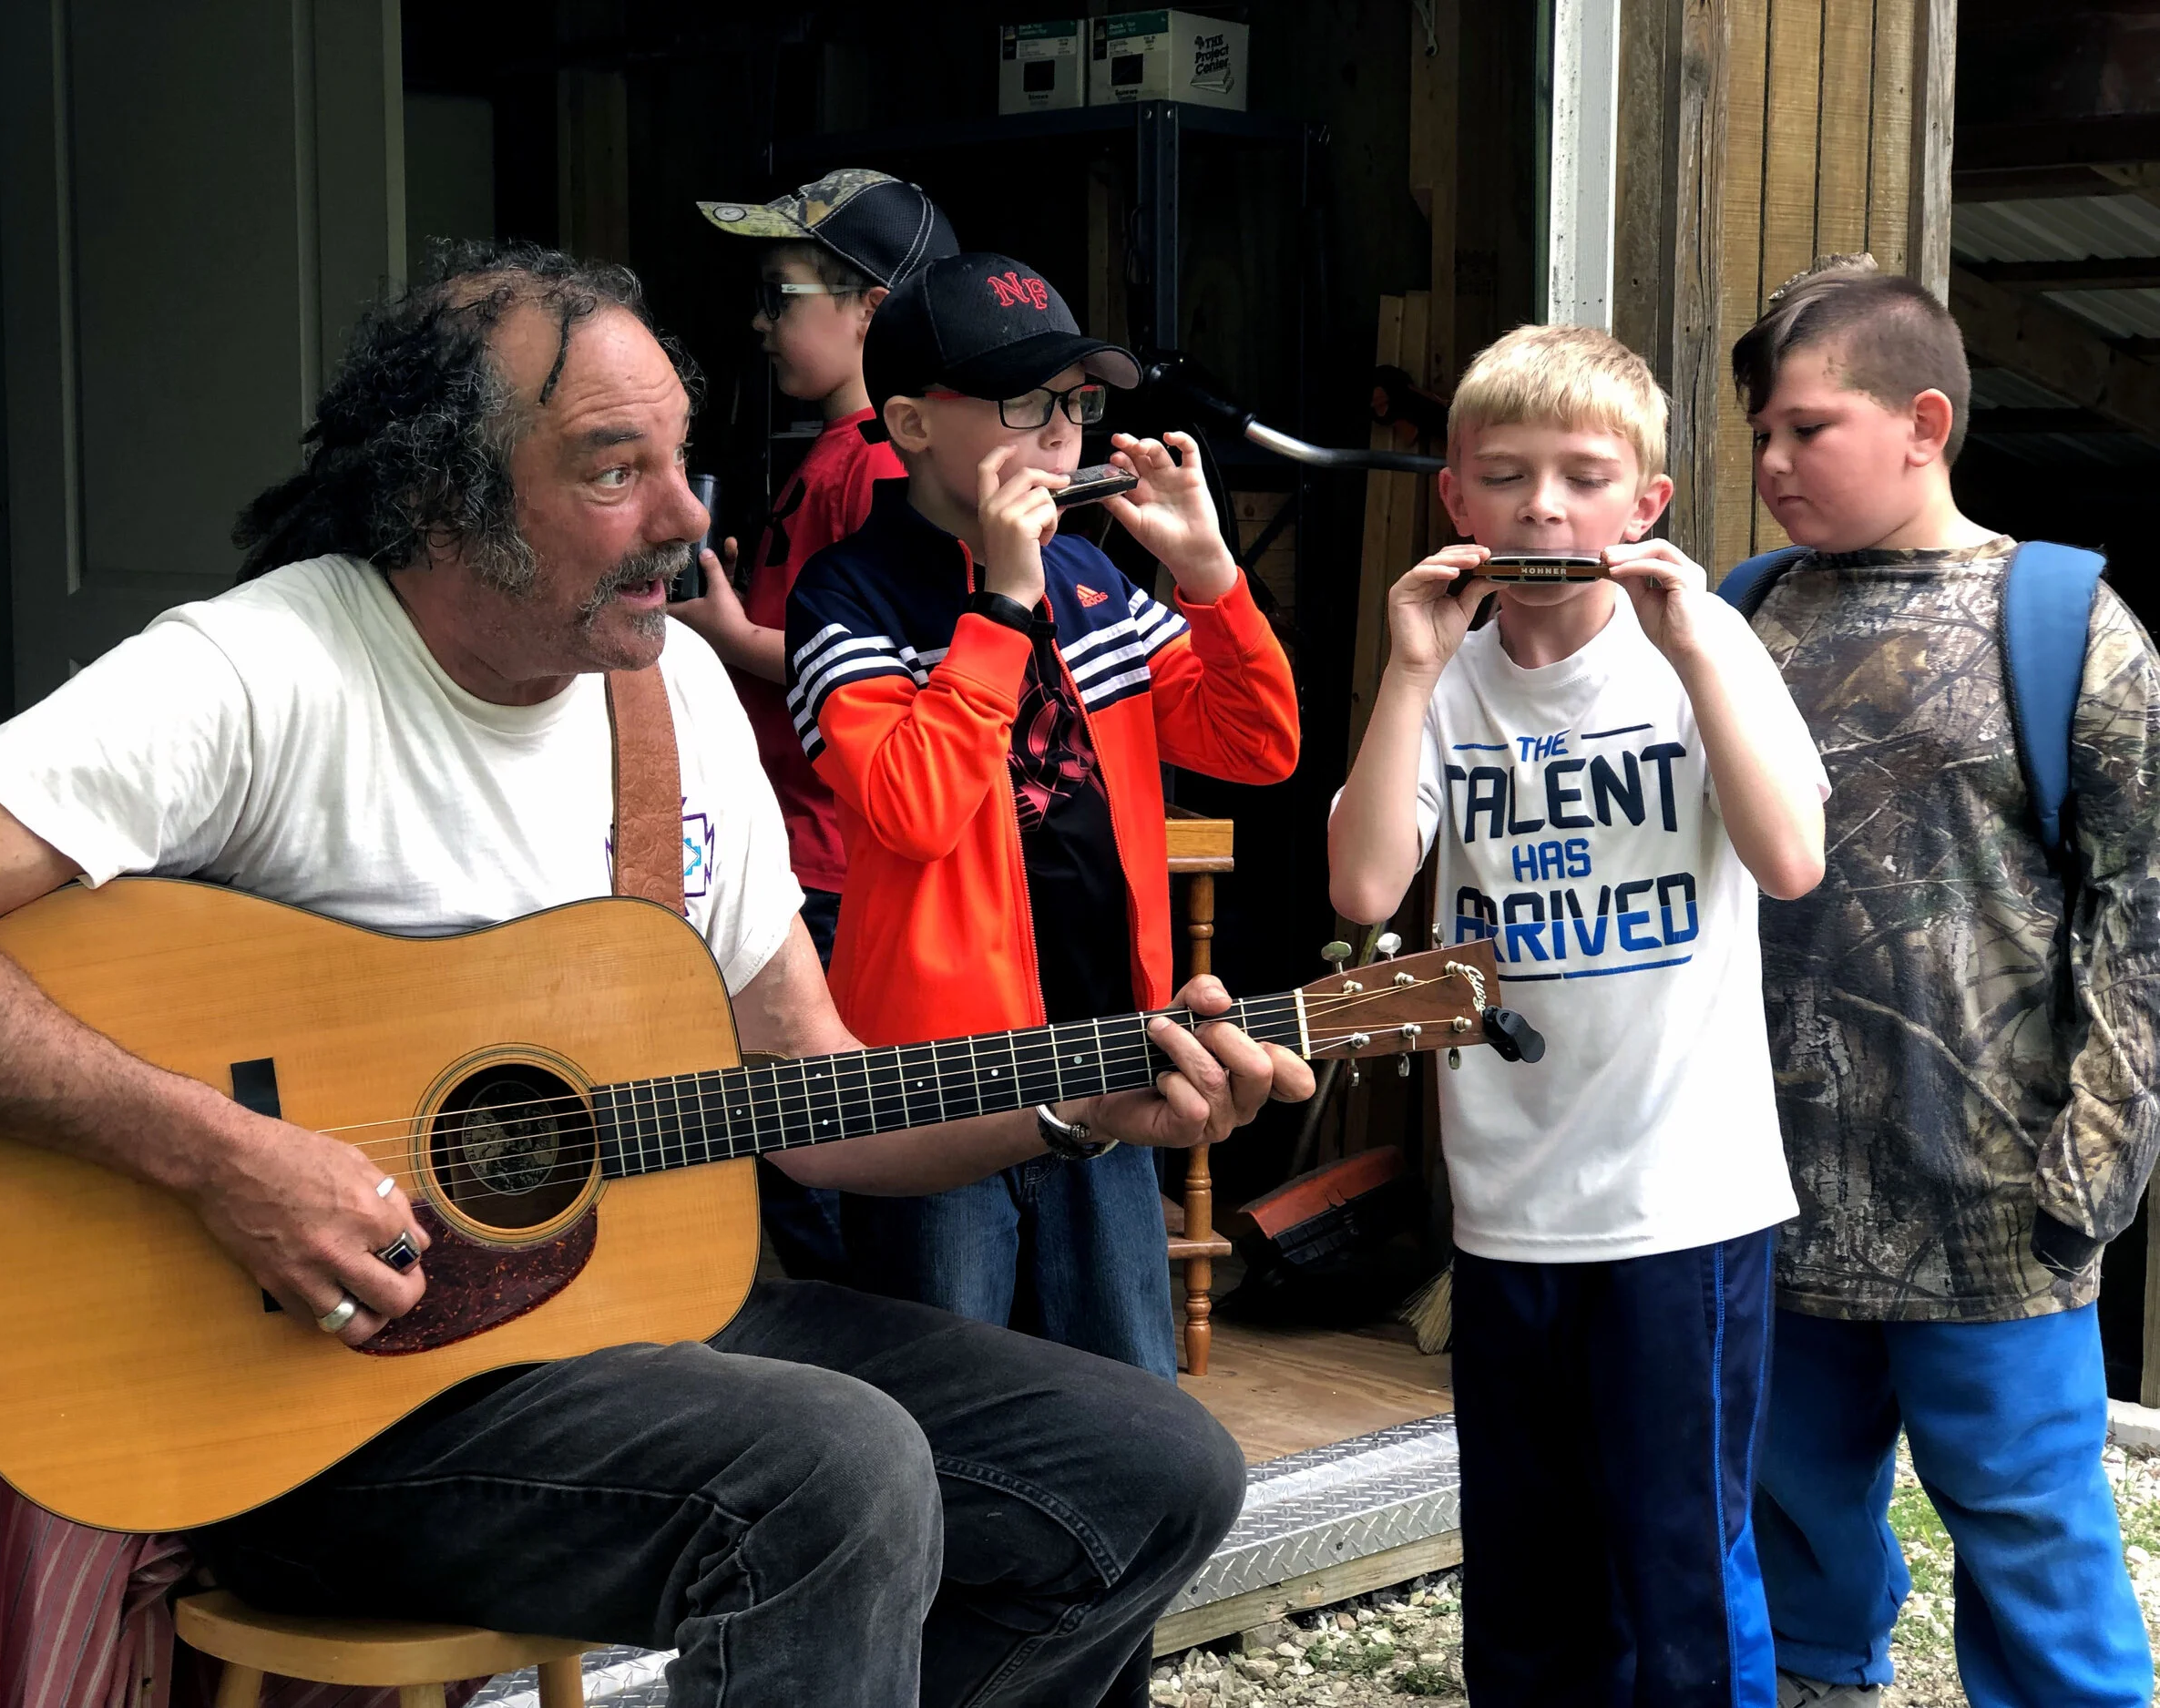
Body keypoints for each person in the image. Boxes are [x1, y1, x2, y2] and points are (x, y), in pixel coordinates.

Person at [0, 243, 1316, 1708]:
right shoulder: (259, 673)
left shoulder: (675, 694)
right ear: (444, 493)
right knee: (831, 1466)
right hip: (326, 1411)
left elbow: (817, 1098)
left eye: (682, 460)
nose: (689, 518)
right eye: (612, 469)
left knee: (1153, 1462)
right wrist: (223, 1155)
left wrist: (1083, 1105)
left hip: (639, 1342)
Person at [1326, 323, 1828, 1707]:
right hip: (1508, 1202)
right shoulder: (1449, 676)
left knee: (1679, 1559)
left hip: (1686, 1197)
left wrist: (1698, 648)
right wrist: (1414, 667)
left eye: (1584, 476)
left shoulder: (1705, 647)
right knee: (1530, 1565)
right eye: (1505, 475)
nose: (1544, 505)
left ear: (1646, 505)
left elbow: (1791, 860)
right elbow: (1364, 882)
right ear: (1456, 498)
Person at [1728, 257, 2160, 1708]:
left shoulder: (2068, 630)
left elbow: (2141, 912)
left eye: (1806, 428)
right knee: (1788, 1530)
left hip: (1991, 1207)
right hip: (1767, 1197)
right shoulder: (1741, 619)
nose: (1773, 463)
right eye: (1762, 436)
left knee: (2037, 1547)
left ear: (1923, 420)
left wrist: (2090, 1167)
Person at [785, 252, 1301, 1379]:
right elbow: (913, 811)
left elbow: (1255, 746)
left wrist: (1211, 577)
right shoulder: (845, 595)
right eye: (1023, 402)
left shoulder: (1092, 579)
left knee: (1132, 1402)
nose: (1060, 433)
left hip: (1112, 1062)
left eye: (1075, 402)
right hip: (935, 1093)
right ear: (913, 422)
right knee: (948, 1406)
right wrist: (1001, 607)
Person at [675, 169, 959, 1282]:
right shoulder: (831, 460)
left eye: (780, 291)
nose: (759, 321)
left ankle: (849, 1375)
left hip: (831, 867)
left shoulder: (882, 470)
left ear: (871, 312)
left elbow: (894, 669)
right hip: (790, 849)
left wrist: (732, 640)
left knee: (803, 1150)